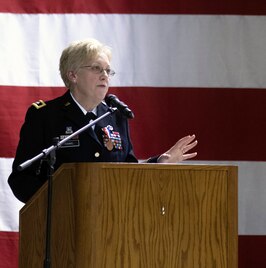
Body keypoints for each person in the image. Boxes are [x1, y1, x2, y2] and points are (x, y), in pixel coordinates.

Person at [8, 38, 198, 203]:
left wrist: (159, 163)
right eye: (96, 68)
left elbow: (127, 173)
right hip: (63, 225)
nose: (104, 75)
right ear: (73, 75)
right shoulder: (45, 116)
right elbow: (21, 179)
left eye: (108, 70)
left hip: (111, 225)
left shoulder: (116, 116)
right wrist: (60, 201)